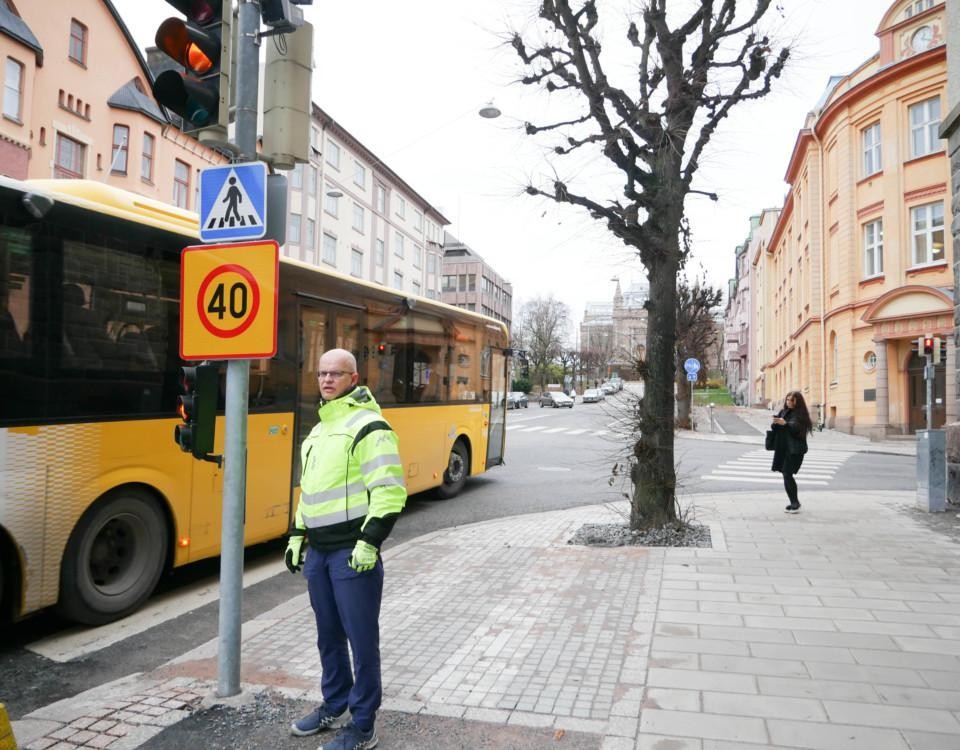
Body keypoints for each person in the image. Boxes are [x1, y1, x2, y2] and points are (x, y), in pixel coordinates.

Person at [285, 348, 407, 750]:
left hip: (353, 553)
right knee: (328, 636)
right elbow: (311, 492)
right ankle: (334, 704)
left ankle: (363, 724)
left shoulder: (370, 426)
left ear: (353, 379)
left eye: (336, 373)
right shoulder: (319, 430)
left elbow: (389, 492)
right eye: (321, 373)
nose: (326, 380)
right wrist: (297, 535)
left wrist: (370, 542)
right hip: (319, 554)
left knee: (361, 640)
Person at [770, 390, 812, 513]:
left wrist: (786, 424)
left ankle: (795, 503)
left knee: (787, 473)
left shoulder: (801, 414)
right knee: (785, 474)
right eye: (787, 399)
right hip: (784, 448)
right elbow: (777, 428)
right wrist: (775, 423)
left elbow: (796, 428)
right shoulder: (784, 411)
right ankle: (794, 502)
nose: (789, 402)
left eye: (791, 400)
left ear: (797, 401)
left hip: (795, 450)